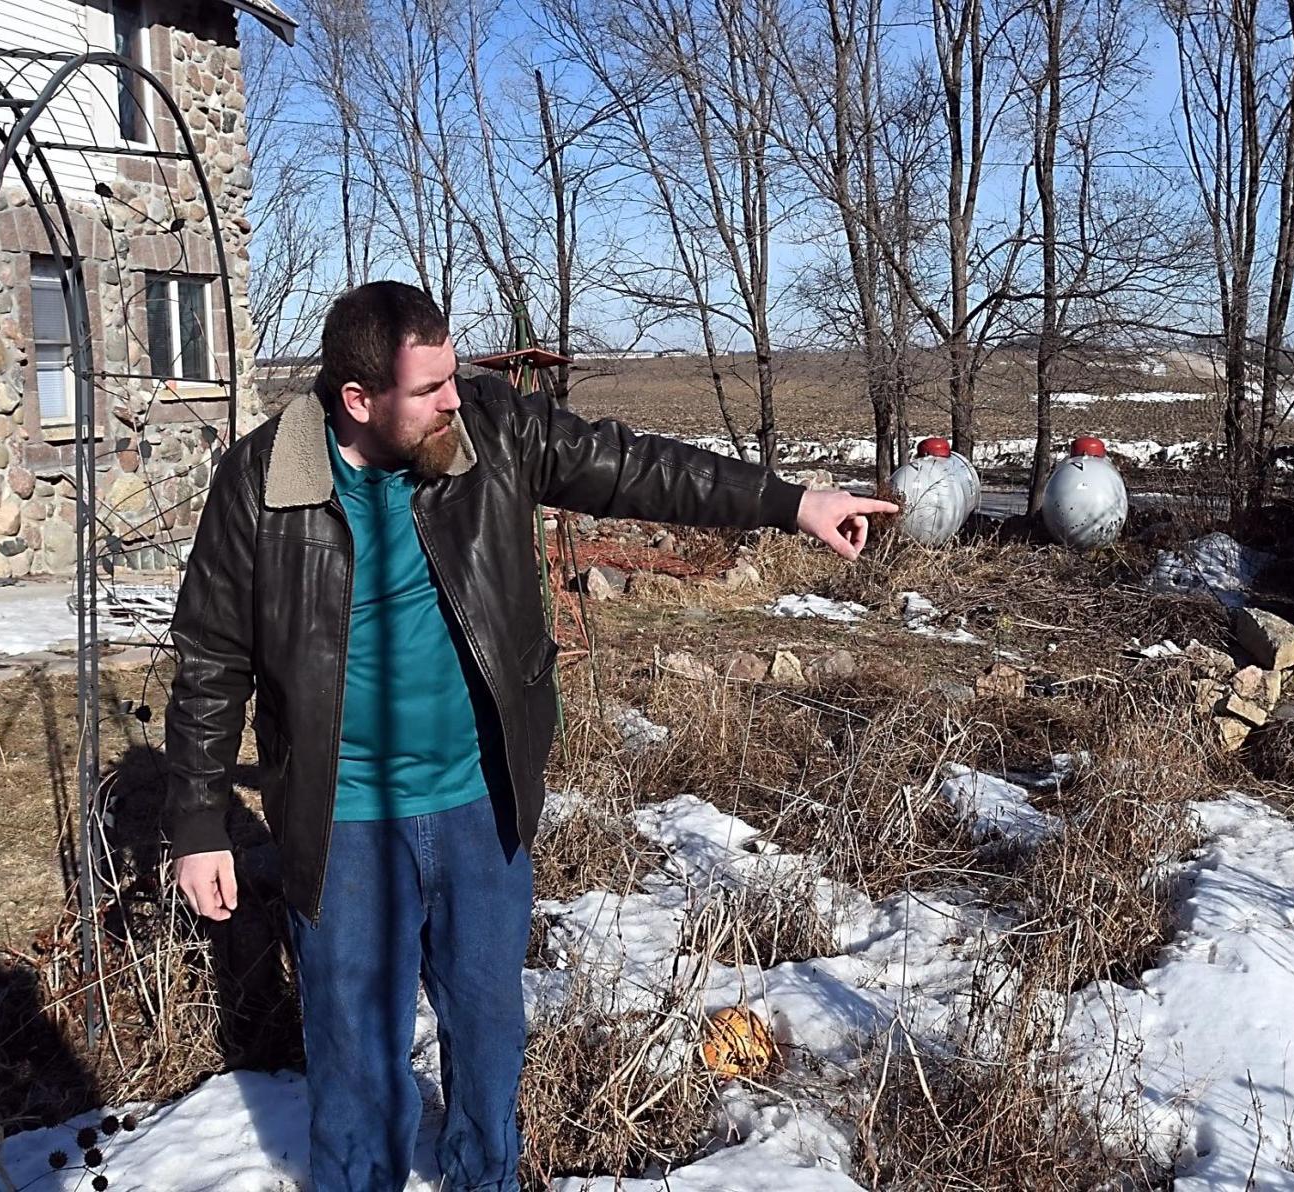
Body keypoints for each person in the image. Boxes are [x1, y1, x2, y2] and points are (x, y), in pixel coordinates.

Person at [164, 280, 896, 1191]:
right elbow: (210, 658)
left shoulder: (493, 430)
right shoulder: (264, 480)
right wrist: (197, 822)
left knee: (488, 1033)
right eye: (428, 388)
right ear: (358, 400)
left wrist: (790, 502)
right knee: (354, 1057)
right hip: (344, 819)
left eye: (454, 374)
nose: (453, 398)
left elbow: (635, 468)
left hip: (479, 802)